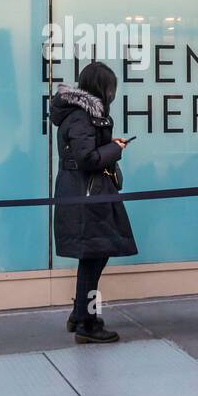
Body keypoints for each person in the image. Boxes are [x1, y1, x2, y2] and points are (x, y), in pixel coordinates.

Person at [50, 61, 137, 344]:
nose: (112, 93)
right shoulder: (82, 117)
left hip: (84, 193)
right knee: (93, 258)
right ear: (102, 87)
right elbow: (87, 159)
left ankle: (81, 315)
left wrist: (110, 146)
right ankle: (87, 323)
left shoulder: (79, 115)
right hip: (88, 195)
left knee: (93, 258)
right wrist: (115, 148)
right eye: (111, 87)